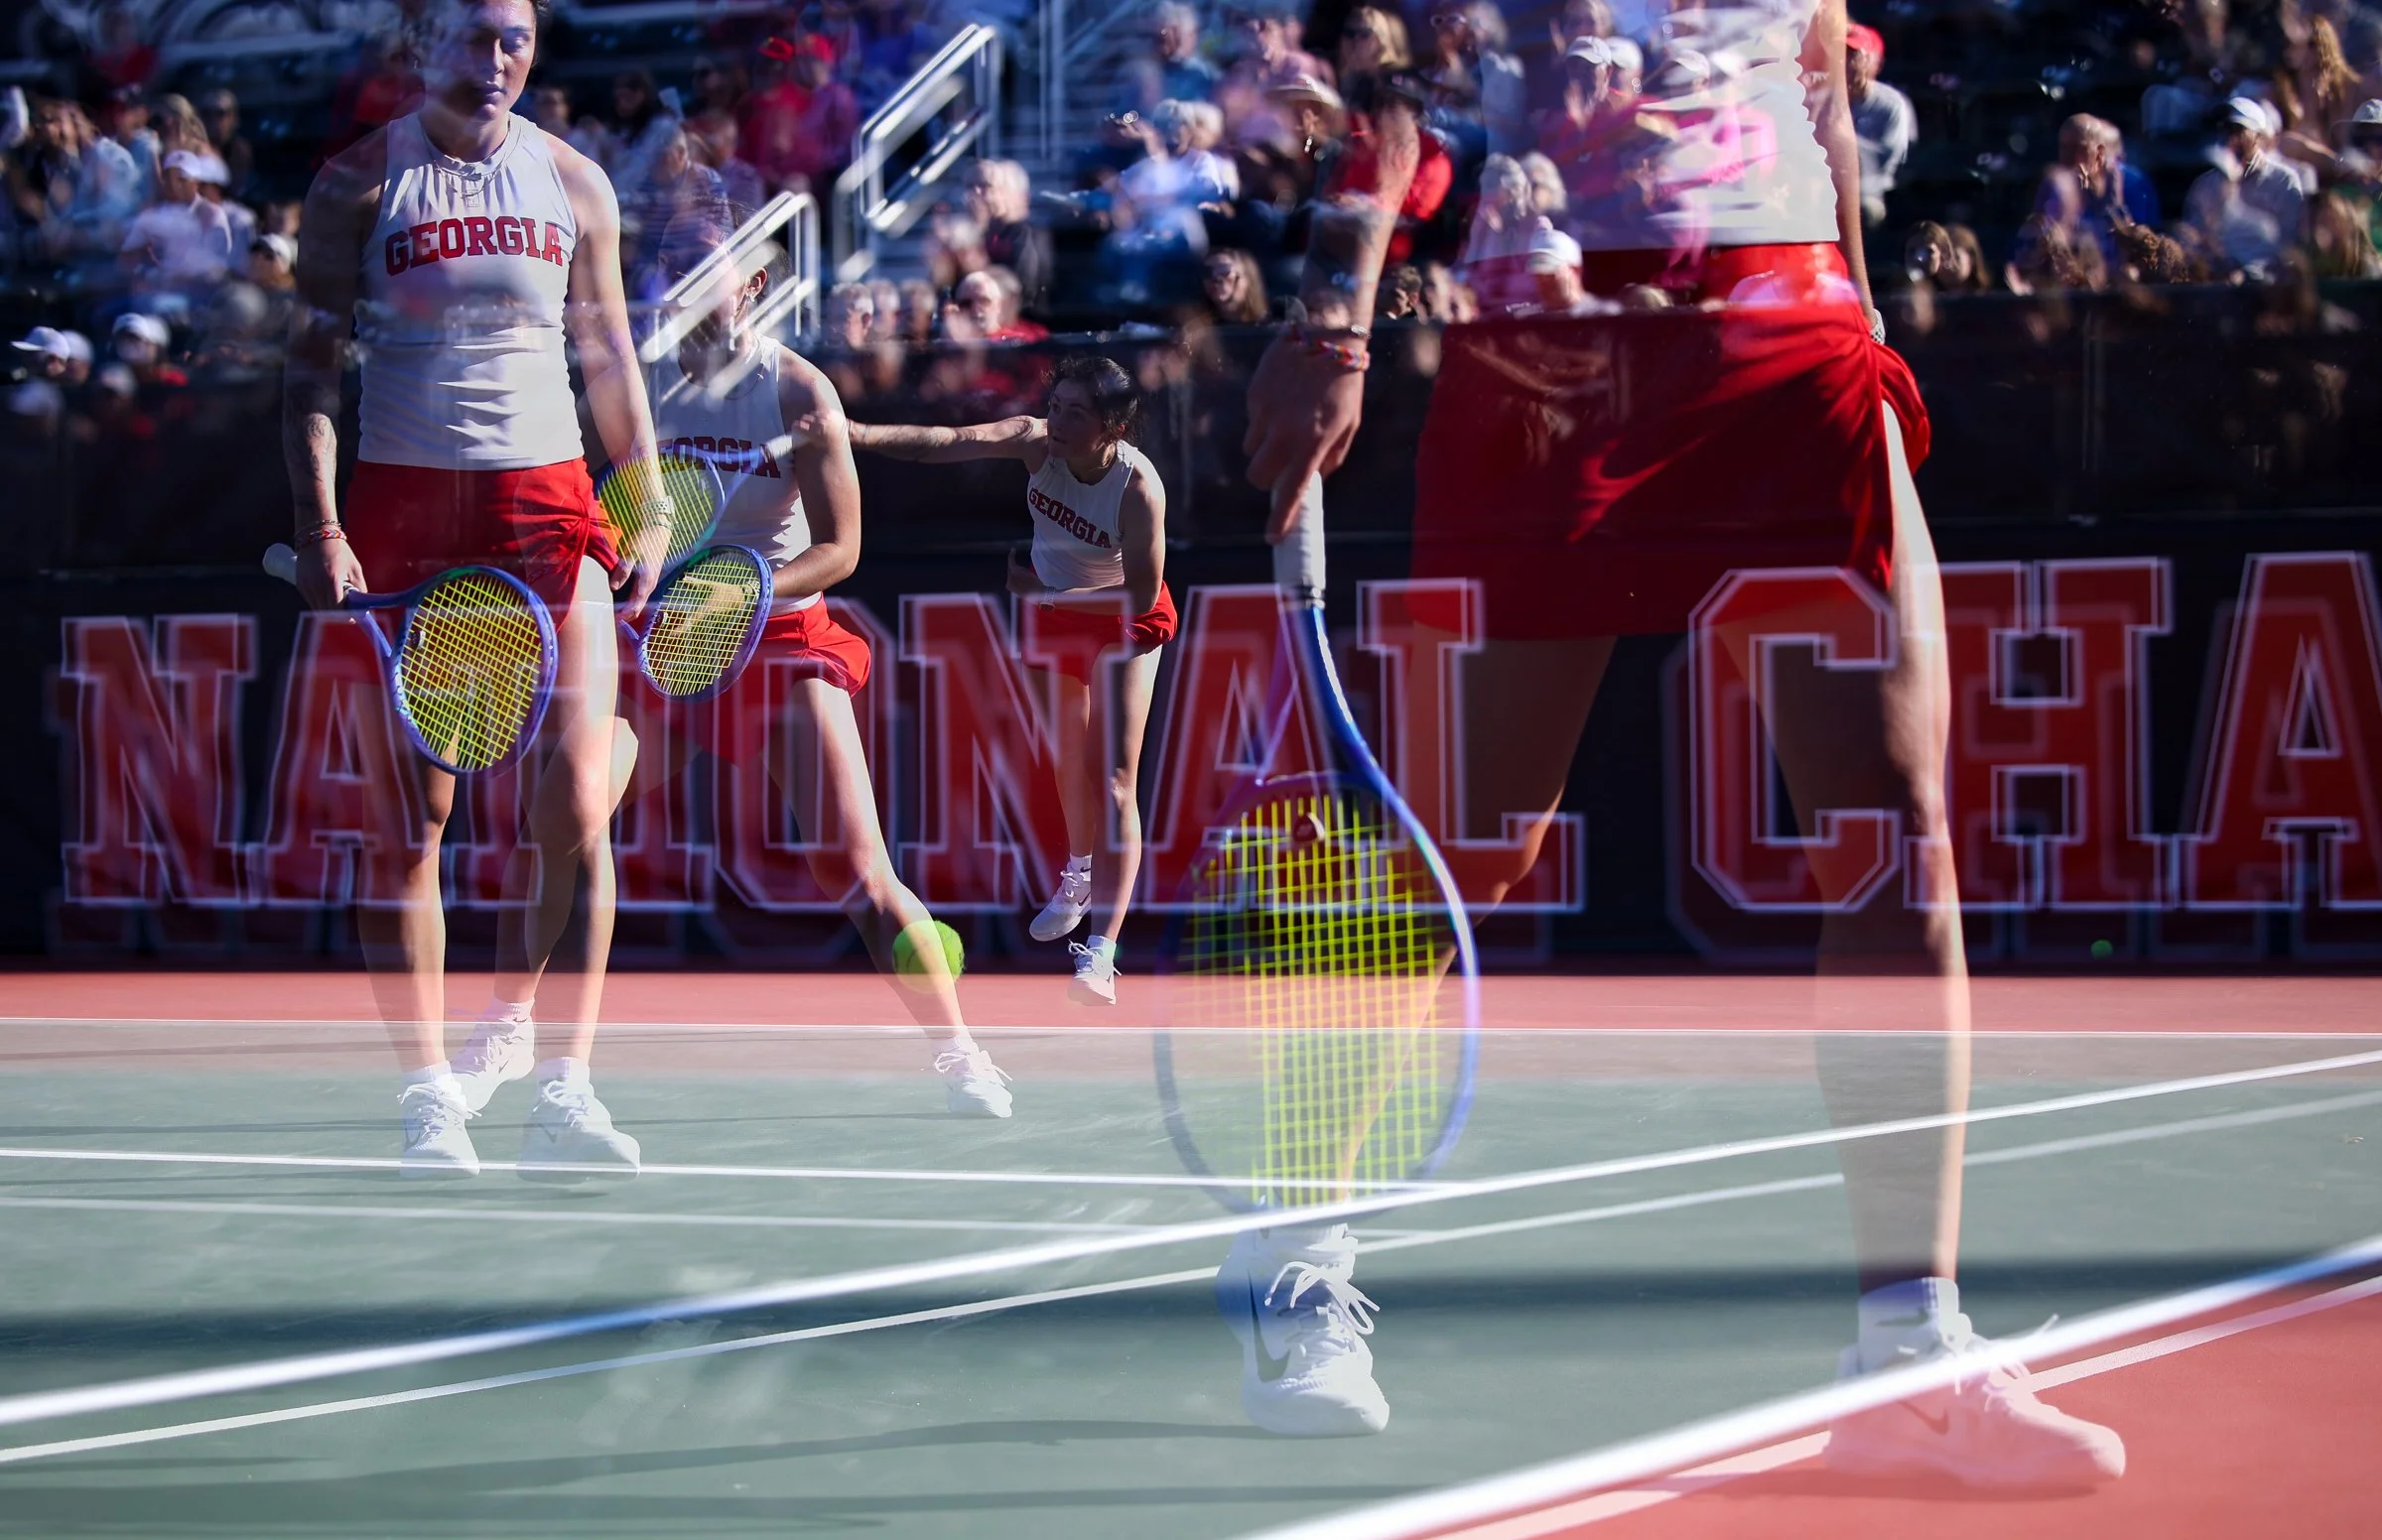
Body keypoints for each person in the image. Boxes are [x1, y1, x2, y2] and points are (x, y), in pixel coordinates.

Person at [1226, 0, 2129, 1483]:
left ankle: (1907, 1352)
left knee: (1894, 837)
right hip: (1551, 346)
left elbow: (1818, 72)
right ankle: (1297, 1251)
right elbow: (1398, 83)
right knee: (1467, 851)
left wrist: (1864, 321)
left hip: (1794, 336)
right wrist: (1334, 317)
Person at [503, 202, 1017, 1115]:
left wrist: (739, 593)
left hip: (776, 641)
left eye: (706, 267)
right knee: (561, 816)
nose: (683, 285)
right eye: (672, 267)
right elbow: (598, 512)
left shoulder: (798, 392)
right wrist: (611, 562)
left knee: (855, 871)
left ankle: (961, 1054)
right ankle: (506, 1030)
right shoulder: (633, 384)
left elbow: (841, 549)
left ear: (753, 285)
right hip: (658, 646)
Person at [282, 0, 674, 1180]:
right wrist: (320, 523)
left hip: (549, 509)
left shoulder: (576, 182)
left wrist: (649, 499)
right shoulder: (355, 184)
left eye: (516, 37)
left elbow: (608, 354)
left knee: (579, 797)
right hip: (404, 516)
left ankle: (561, 1085)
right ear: (424, 45)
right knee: (413, 821)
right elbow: (308, 374)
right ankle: (426, 1098)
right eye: (474, 35)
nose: (497, 57)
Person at [845, 358, 1173, 1007]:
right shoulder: (1035, 441)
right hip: (1057, 611)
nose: (1058, 421)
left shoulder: (1138, 488)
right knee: (1066, 760)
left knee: (1113, 780)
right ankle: (1079, 871)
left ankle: (1101, 953)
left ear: (1112, 427)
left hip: (1119, 616)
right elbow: (947, 442)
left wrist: (1047, 595)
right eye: (1056, 405)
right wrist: (853, 432)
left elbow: (1139, 595)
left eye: (1076, 412)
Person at [2185, 95, 2310, 279]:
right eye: (2224, 129)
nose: (2230, 137)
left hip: (2266, 282)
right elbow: (2194, 239)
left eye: (2237, 129)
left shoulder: (2283, 180)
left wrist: (2250, 273)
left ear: (2258, 136)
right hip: (2216, 280)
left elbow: (2289, 246)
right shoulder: (2204, 185)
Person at [1845, 22, 1914, 228]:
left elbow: (1889, 158)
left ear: (1871, 62)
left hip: (1870, 190)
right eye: (1842, 54)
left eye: (1853, 55)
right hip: (1825, 186)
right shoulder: (1824, 97)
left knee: (1866, 209)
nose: (1846, 62)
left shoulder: (1891, 105)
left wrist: (1843, 144)